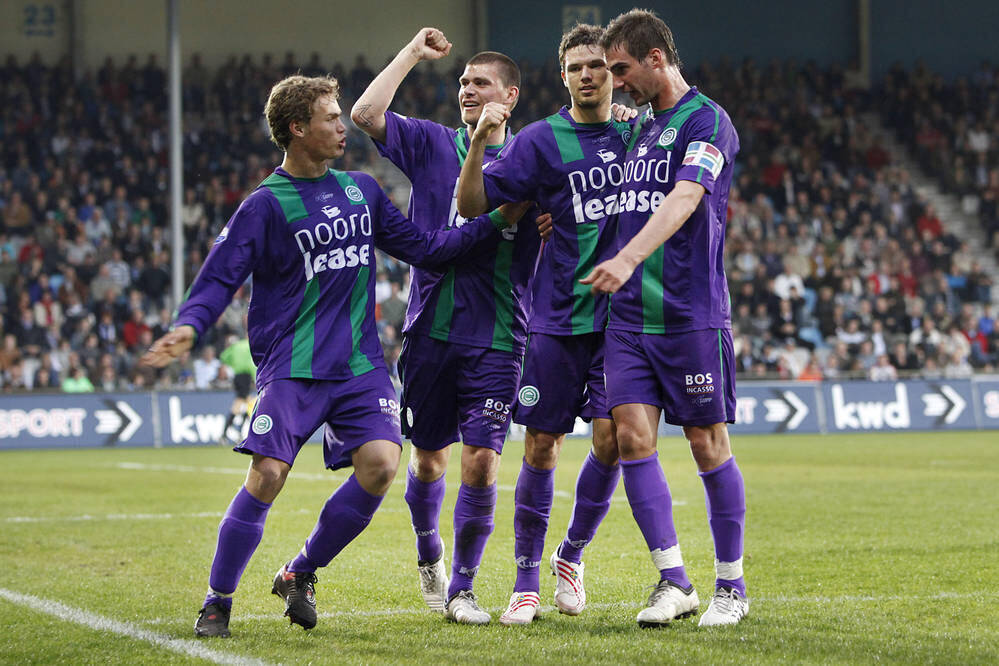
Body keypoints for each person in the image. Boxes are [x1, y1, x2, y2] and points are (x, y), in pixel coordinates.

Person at [141, 74, 526, 639]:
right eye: (330, 118)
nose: (343, 126)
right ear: (299, 129)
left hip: (359, 368)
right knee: (267, 473)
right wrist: (187, 325)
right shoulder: (264, 206)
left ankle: (300, 570)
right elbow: (219, 277)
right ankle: (217, 601)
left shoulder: (362, 191)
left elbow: (426, 250)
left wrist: (494, 220)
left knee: (381, 465)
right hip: (292, 367)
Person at [351, 29, 541, 625]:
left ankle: (461, 588)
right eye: (462, 82)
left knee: (482, 462)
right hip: (430, 328)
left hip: (500, 332)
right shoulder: (434, 143)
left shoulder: (535, 158)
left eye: (479, 82)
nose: (466, 89)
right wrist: (410, 52)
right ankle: (428, 549)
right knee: (429, 461)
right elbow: (364, 113)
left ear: (508, 96)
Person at [456, 24, 631, 625]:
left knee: (616, 439)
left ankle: (571, 556)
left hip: (622, 320)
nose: (588, 75)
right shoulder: (538, 141)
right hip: (555, 317)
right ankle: (525, 582)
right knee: (541, 444)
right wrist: (479, 142)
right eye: (578, 67)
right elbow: (473, 206)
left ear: (615, 72)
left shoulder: (641, 134)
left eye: (599, 67)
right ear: (564, 76)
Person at [580, 9, 748, 627]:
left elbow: (685, 196)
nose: (616, 81)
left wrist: (626, 256)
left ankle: (731, 585)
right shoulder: (641, 131)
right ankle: (673, 580)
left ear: (656, 58)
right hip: (628, 319)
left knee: (706, 443)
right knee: (630, 439)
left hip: (690, 314)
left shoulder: (707, 121)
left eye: (621, 68)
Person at [218, 333, 256, 446]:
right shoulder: (250, 346)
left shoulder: (236, 345)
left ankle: (236, 433)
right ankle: (224, 435)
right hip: (246, 376)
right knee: (242, 404)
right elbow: (252, 364)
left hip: (237, 377)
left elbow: (223, 356)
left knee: (247, 404)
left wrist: (233, 364)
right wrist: (255, 378)